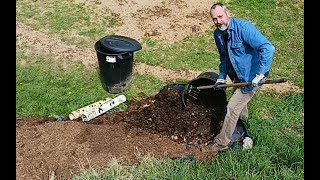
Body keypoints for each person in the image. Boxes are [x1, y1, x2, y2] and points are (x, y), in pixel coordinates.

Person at [200, 3, 275, 152]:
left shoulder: (243, 28)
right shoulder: (218, 34)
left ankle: (221, 143)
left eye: (220, 16)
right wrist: (221, 77)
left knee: (233, 108)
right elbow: (224, 58)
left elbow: (268, 48)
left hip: (251, 77)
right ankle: (243, 123)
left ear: (228, 13)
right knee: (239, 105)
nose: (218, 21)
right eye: (214, 19)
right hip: (237, 75)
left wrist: (260, 74)